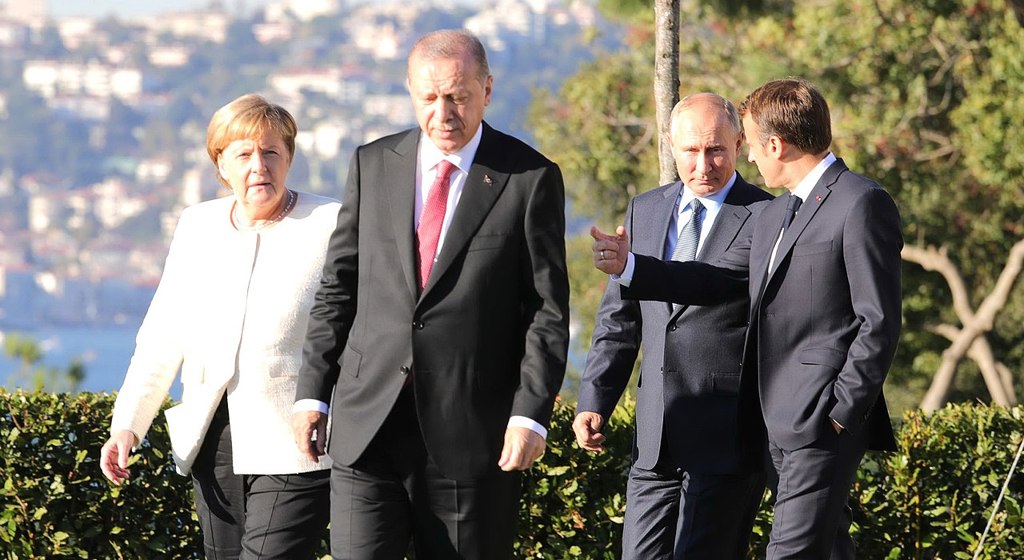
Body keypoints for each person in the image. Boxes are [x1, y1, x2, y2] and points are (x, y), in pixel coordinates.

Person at [592, 78, 903, 559]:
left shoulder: (858, 201)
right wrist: (630, 267)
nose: (750, 159)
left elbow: (877, 321)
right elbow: (712, 281)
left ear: (772, 144)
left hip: (814, 421)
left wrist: (842, 412)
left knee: (793, 552)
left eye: (750, 146)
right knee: (826, 549)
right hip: (768, 426)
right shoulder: (782, 211)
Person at [291, 29, 569, 559]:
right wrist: (312, 393)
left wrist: (530, 413)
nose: (444, 113)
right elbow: (339, 288)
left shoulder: (529, 178)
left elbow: (546, 312)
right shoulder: (371, 165)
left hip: (471, 437)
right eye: (429, 97)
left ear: (487, 89)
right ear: (410, 91)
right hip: (365, 427)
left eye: (459, 96)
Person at [99, 94, 338, 560]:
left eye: (271, 152)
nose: (259, 166)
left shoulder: (330, 222)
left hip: (296, 443)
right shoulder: (197, 225)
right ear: (220, 164)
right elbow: (162, 336)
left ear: (289, 157)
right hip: (213, 441)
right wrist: (127, 424)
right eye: (243, 154)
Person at [574, 93, 771, 559]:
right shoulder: (645, 210)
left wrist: (633, 267)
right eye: (690, 151)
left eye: (716, 149)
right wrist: (594, 401)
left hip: (726, 440)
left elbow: (713, 281)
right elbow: (619, 321)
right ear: (670, 145)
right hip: (656, 439)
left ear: (739, 143)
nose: (703, 165)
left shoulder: (766, 215)